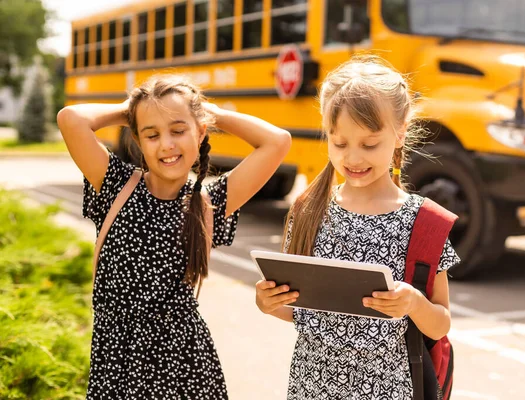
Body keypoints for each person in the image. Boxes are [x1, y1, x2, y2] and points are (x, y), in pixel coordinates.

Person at [57, 74, 291, 399]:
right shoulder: (116, 185)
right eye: (151, 134)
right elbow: (70, 119)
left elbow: (278, 141)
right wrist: (132, 108)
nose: (167, 144)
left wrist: (202, 110)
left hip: (187, 370)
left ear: (200, 133)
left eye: (178, 130)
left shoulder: (209, 202)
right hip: (118, 366)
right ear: (137, 141)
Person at [255, 55, 460, 399]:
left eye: (368, 144)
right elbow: (303, 313)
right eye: (339, 144)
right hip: (311, 388)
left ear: (400, 134)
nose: (352, 158)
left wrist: (413, 304)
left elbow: (441, 324)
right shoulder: (308, 210)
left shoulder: (423, 222)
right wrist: (267, 302)